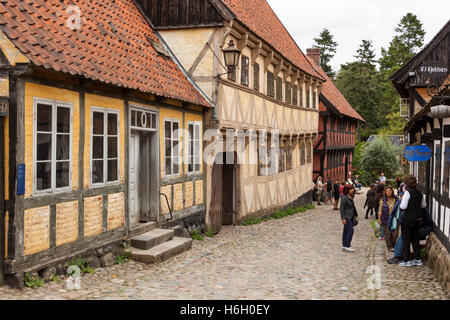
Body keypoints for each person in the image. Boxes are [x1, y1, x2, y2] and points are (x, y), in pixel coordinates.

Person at [398, 175, 427, 267]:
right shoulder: (420, 192)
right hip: (418, 219)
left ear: (406, 183)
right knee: (415, 239)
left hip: (408, 219)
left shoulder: (407, 193)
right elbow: (423, 205)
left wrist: (401, 202)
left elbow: (403, 206)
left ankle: (407, 260)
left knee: (406, 239)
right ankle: (418, 259)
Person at [378, 187, 401, 251]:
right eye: (387, 191)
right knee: (387, 234)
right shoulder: (382, 200)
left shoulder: (396, 199)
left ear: (392, 191)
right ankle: (389, 247)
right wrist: (379, 219)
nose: (388, 192)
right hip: (386, 219)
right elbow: (380, 210)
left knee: (395, 234)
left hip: (395, 219)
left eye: (390, 191)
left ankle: (393, 245)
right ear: (385, 192)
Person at [340, 185, 357, 252]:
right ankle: (348, 245)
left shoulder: (350, 196)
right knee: (351, 230)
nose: (352, 190)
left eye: (352, 189)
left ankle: (344, 245)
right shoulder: (344, 198)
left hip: (351, 216)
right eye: (351, 189)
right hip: (347, 217)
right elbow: (342, 208)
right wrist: (343, 218)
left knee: (346, 231)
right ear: (347, 190)